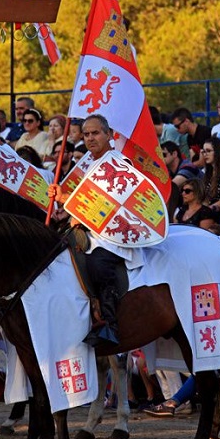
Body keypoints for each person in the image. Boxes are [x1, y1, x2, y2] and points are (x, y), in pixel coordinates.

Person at [48, 114, 142, 347]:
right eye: (86, 134)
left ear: (109, 135)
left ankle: (109, 324)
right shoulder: (87, 164)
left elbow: (107, 203)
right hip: (87, 230)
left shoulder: (119, 163)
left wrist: (66, 199)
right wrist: (61, 205)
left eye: (96, 133)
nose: (90, 138)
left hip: (115, 233)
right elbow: (77, 200)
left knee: (98, 264)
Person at [200, 136, 220, 213]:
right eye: (204, 152)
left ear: (217, 152)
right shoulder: (209, 171)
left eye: (208, 151)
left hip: (219, 211)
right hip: (208, 209)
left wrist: (204, 210)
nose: (205, 154)